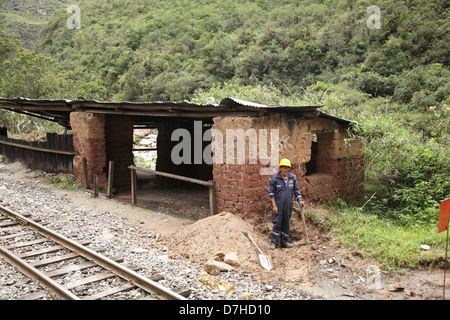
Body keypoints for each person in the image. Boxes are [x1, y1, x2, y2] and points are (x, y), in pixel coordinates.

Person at [268, 158, 304, 249]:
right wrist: (274, 206)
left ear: (289, 169)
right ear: (280, 168)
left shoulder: (292, 178)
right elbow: (271, 194)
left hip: (288, 205)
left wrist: (300, 200)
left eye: (287, 168)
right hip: (278, 205)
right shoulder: (275, 179)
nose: (285, 169)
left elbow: (296, 190)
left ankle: (284, 242)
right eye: (283, 167)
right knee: (277, 223)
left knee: (286, 223)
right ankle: (274, 243)